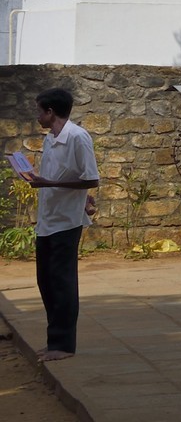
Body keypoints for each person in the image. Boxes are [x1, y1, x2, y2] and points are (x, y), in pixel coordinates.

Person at [21, 88, 99, 362]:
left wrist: (50, 183)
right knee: (46, 280)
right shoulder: (51, 140)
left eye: (39, 110)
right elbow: (68, 176)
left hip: (67, 220)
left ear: (50, 112)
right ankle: (54, 340)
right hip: (48, 218)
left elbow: (91, 178)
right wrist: (40, 179)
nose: (37, 115)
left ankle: (64, 344)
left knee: (63, 282)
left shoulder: (77, 137)